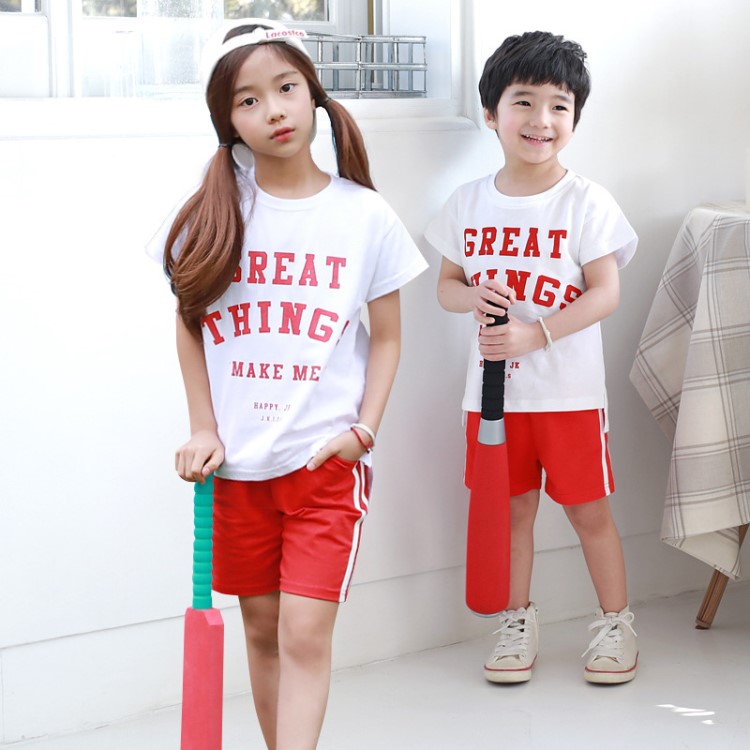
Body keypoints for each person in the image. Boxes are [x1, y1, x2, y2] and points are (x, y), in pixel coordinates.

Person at [148, 19, 427, 748]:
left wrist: (363, 429)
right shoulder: (211, 216)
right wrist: (203, 427)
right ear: (227, 119)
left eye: (286, 88)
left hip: (322, 463)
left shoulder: (364, 215)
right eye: (248, 100)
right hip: (237, 468)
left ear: (313, 95)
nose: (273, 110)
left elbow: (388, 335)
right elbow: (188, 323)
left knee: (304, 632)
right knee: (263, 628)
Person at [424, 31, 639, 685]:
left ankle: (616, 624)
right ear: (492, 113)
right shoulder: (467, 202)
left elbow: (605, 293)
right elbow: (446, 287)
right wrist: (471, 296)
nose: (541, 119)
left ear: (574, 118)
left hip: (568, 395)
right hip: (492, 401)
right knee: (511, 511)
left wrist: (536, 334)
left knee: (587, 511)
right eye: (524, 101)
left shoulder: (586, 202)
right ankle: (515, 621)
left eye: (559, 105)